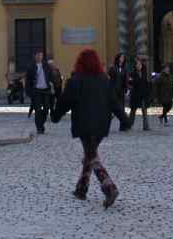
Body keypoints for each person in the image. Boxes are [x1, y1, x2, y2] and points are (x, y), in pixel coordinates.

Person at [51, 49, 126, 208]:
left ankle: (109, 187)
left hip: (84, 125)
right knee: (89, 154)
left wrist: (56, 116)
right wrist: (124, 119)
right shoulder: (104, 80)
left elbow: (65, 102)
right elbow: (114, 102)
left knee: (92, 157)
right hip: (101, 125)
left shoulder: (76, 80)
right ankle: (81, 189)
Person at [25, 52, 54, 135]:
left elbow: (50, 77)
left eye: (41, 55)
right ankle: (39, 128)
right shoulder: (31, 67)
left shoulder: (46, 66)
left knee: (46, 109)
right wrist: (29, 93)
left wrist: (52, 85)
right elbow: (28, 81)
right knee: (37, 110)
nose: (39, 57)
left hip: (45, 90)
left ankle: (41, 123)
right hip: (36, 91)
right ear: (35, 56)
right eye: (38, 55)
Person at [108, 53, 130, 131]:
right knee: (113, 109)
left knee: (122, 109)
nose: (122, 59)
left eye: (123, 58)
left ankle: (123, 126)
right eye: (121, 57)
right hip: (113, 90)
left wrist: (126, 89)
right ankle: (105, 126)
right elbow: (109, 79)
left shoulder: (124, 68)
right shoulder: (113, 67)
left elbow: (126, 80)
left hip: (121, 91)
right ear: (118, 58)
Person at [128, 57, 151, 131]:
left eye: (140, 65)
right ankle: (129, 125)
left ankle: (146, 126)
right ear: (135, 66)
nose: (139, 66)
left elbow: (145, 84)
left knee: (144, 111)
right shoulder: (132, 74)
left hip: (143, 95)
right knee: (133, 111)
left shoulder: (144, 73)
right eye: (137, 65)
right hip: (135, 95)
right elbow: (131, 82)